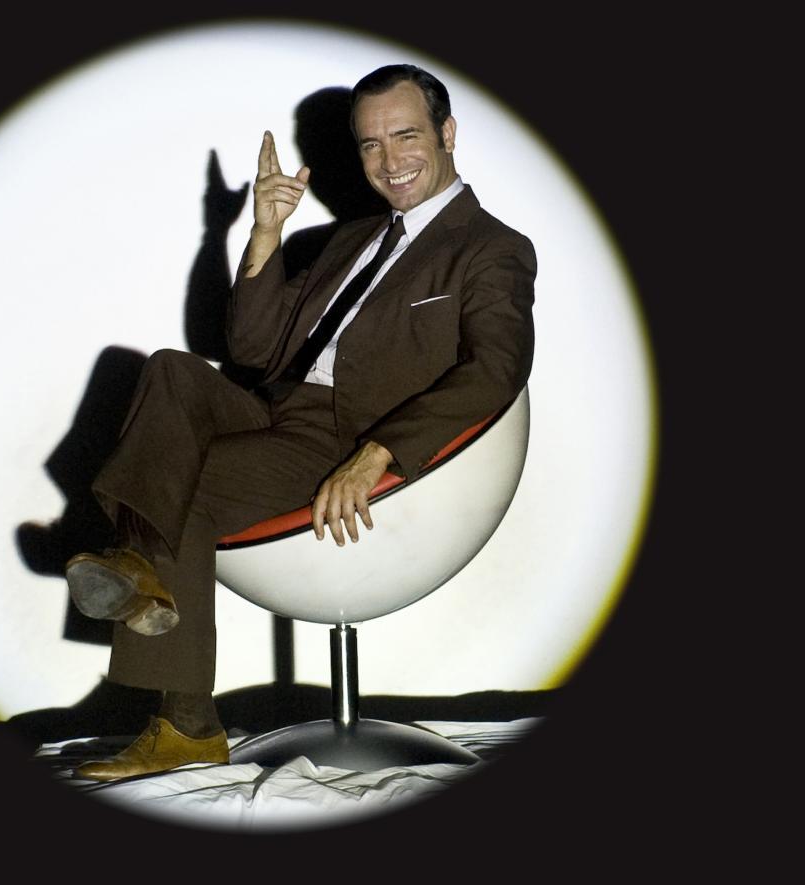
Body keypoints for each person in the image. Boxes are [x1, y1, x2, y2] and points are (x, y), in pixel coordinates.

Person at [64, 64, 537, 781]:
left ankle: (183, 717)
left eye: (406, 136)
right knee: (169, 370)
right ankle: (136, 569)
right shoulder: (351, 241)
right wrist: (264, 233)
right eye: (371, 144)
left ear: (446, 134)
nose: (389, 160)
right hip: (278, 412)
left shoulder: (491, 248)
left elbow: (496, 370)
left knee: (173, 490)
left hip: (342, 442)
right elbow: (254, 348)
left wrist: (377, 452)